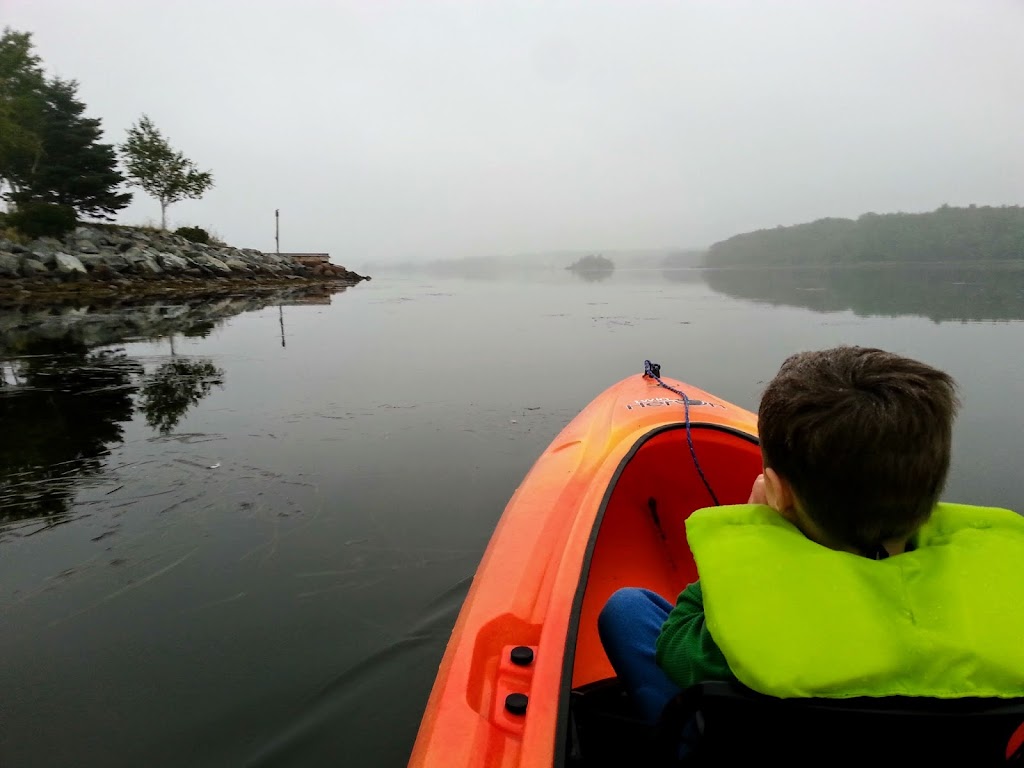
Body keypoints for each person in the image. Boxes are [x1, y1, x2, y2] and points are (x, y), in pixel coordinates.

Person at [598, 345, 1024, 727]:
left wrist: (750, 539)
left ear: (778, 492)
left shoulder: (725, 644)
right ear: (930, 490)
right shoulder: (1008, 604)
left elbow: (675, 645)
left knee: (627, 608)